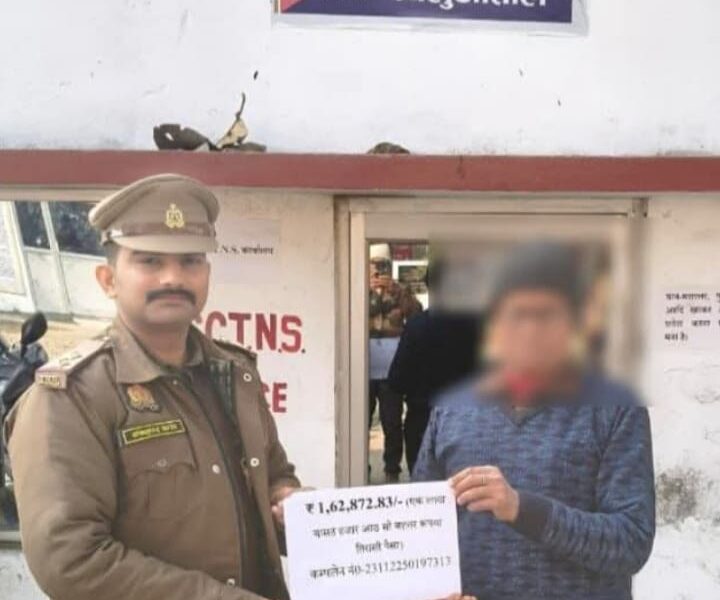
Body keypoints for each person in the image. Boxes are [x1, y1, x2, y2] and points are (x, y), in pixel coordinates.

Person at [4, 174, 301, 600]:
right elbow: (70, 560)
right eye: (150, 261)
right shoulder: (70, 398)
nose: (172, 278)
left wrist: (293, 507)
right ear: (108, 280)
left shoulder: (233, 374)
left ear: (207, 273)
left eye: (190, 261)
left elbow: (273, 475)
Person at [414, 241, 655, 600]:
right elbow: (422, 528)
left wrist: (521, 508)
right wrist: (432, 587)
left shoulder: (615, 410)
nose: (528, 328)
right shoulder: (452, 410)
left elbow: (631, 542)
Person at [387, 260, 482, 475]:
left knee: (424, 490)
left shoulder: (416, 326)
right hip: (469, 422)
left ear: (429, 286)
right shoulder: (478, 326)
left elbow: (397, 380)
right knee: (465, 489)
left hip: (422, 420)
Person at [368, 243, 422, 482]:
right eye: (374, 265)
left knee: (391, 422)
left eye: (383, 265)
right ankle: (360, 467)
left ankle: (392, 469)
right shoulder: (356, 286)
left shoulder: (400, 291)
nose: (378, 270)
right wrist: (366, 289)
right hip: (362, 368)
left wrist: (397, 292)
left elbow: (417, 314)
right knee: (360, 421)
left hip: (391, 368)